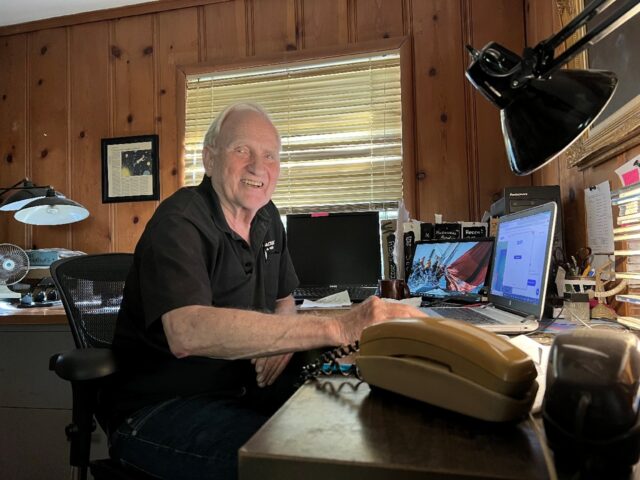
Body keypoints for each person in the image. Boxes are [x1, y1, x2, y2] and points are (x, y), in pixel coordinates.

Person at [102, 102, 426, 479]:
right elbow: (186, 331)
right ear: (209, 159)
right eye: (242, 150)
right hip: (159, 408)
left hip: (241, 392)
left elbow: (283, 299)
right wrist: (338, 327)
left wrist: (282, 339)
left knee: (363, 426)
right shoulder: (179, 221)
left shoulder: (268, 217)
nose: (258, 167)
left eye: (269, 155)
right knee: (298, 465)